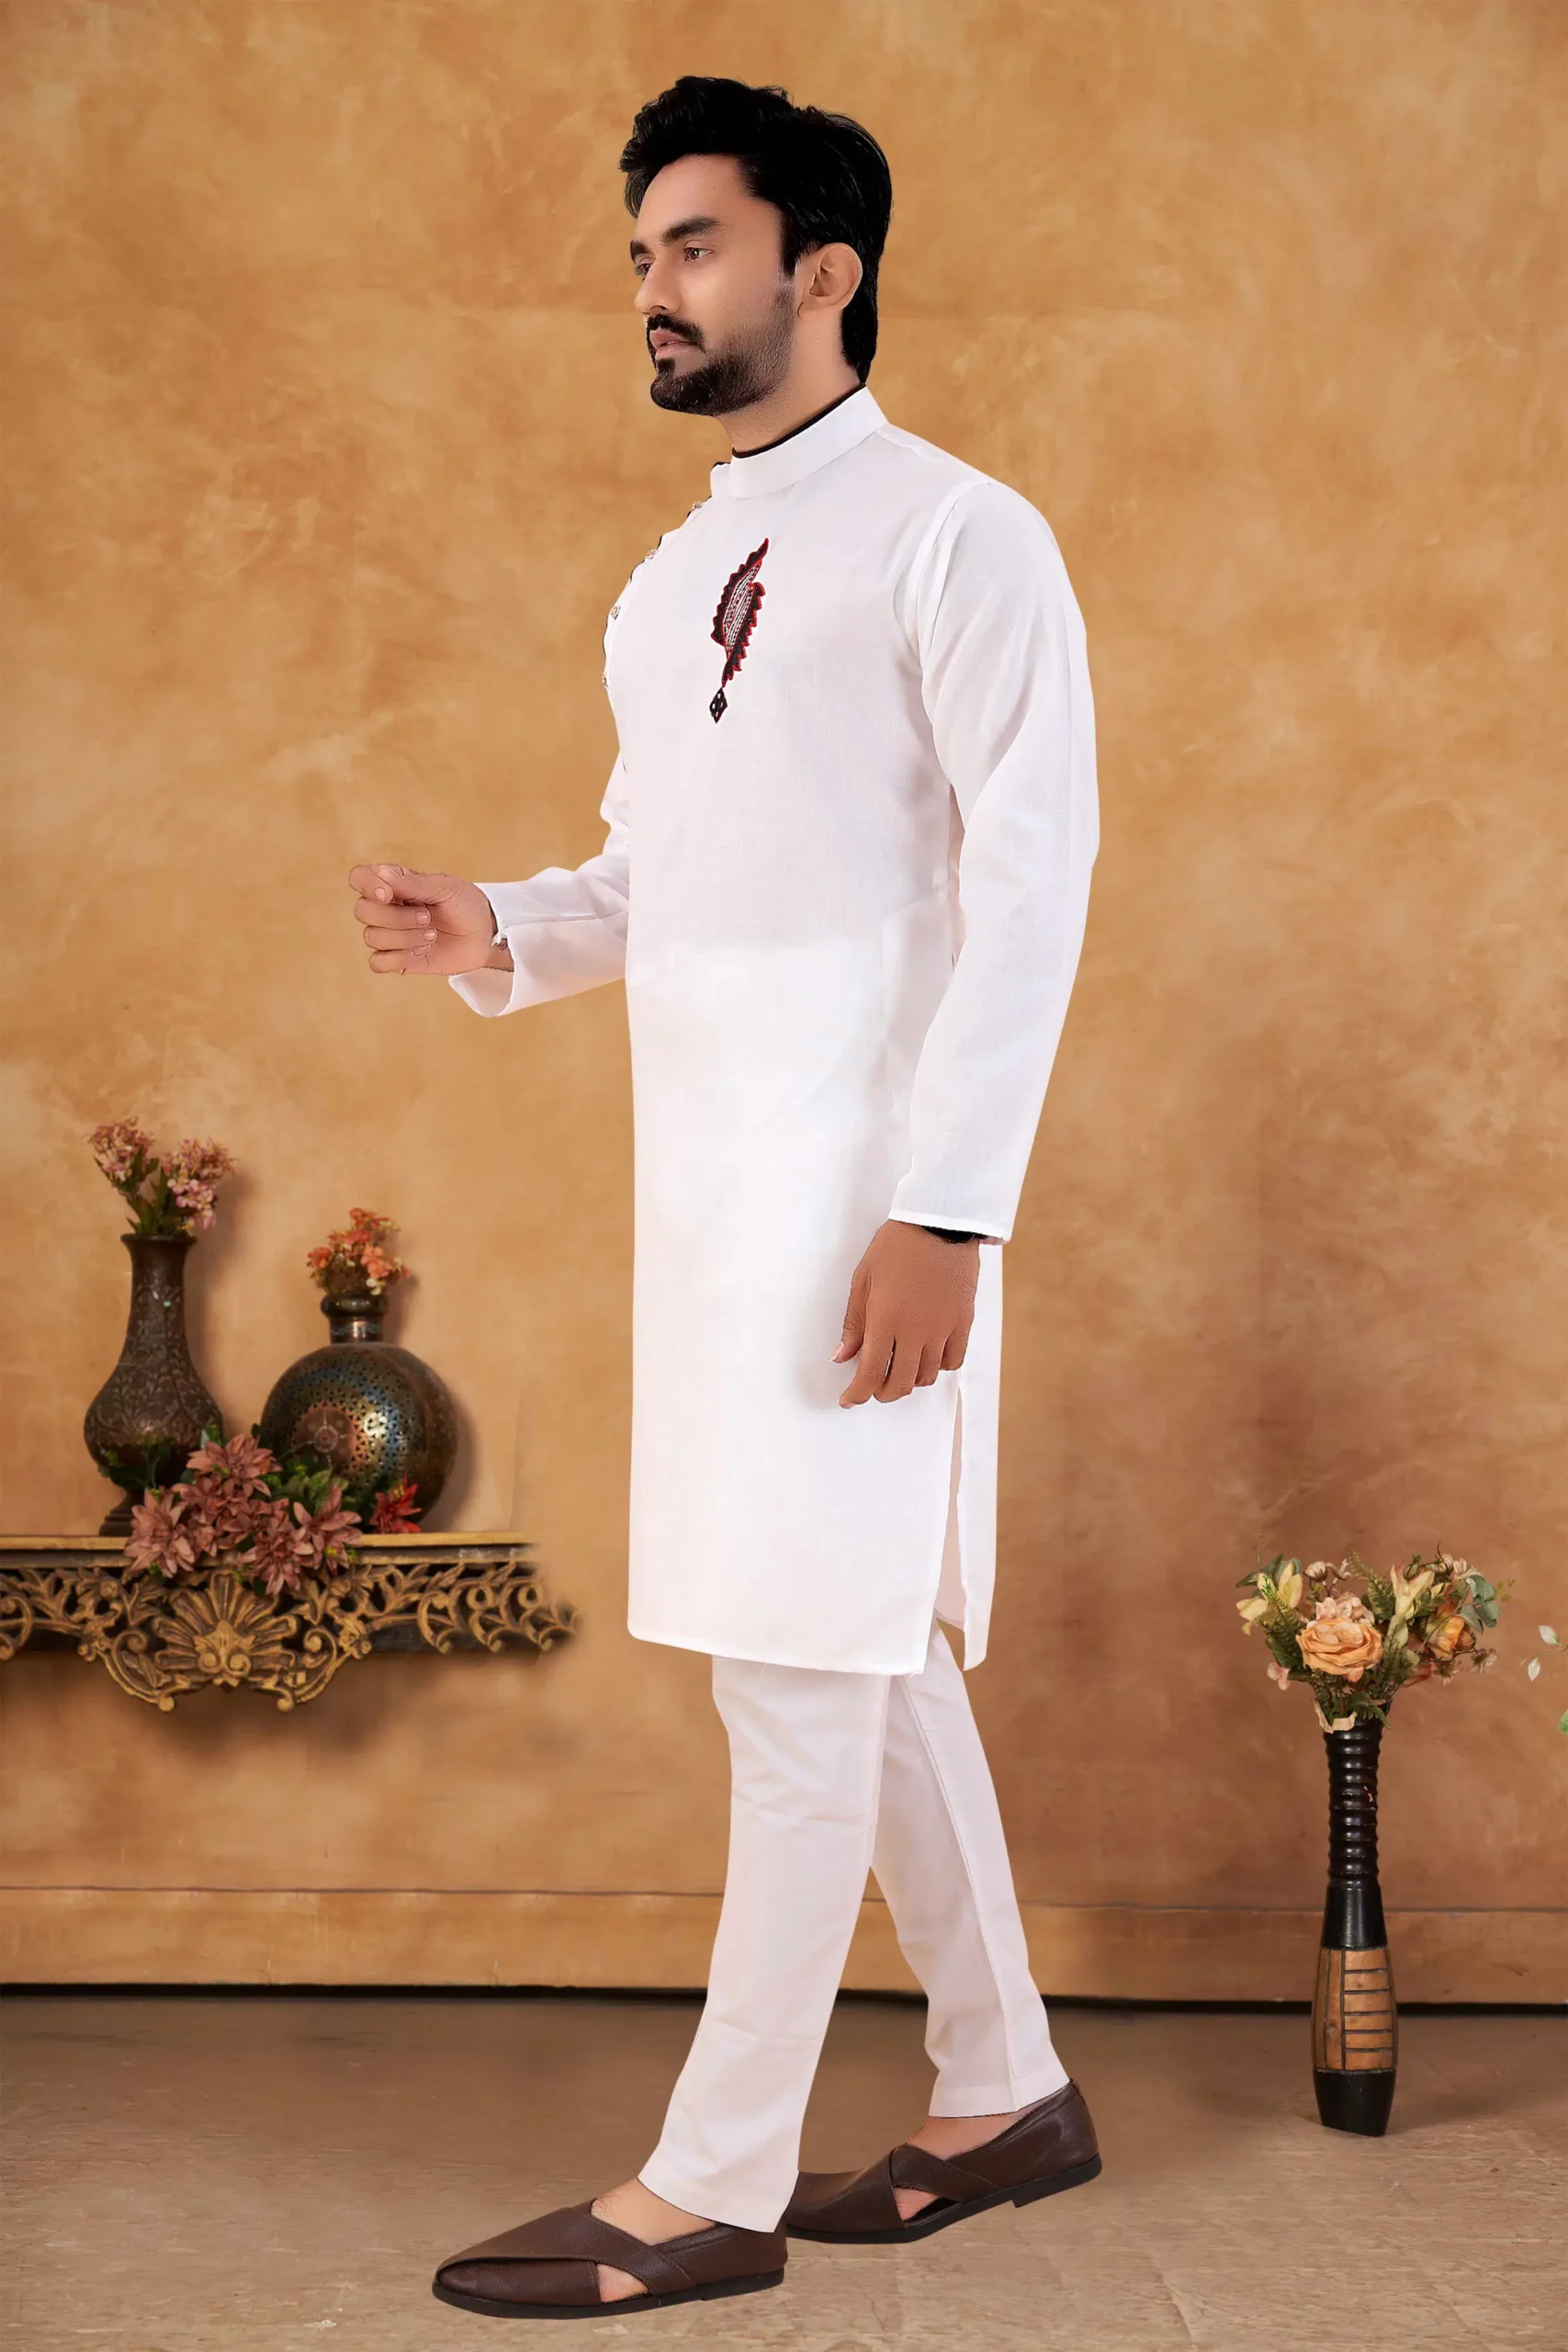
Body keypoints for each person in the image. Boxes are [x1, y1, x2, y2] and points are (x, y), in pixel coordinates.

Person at [349, 74, 1101, 2323]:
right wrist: (496, 922)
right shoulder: (672, 579)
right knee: (859, 1653)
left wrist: (950, 1209)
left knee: (795, 1672)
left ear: (822, 268)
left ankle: (711, 2179)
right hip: (710, 1204)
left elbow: (1036, 888)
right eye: (643, 255)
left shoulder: (963, 536)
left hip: (870, 1211)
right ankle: (1002, 2084)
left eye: (693, 246)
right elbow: (650, 877)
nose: (653, 290)